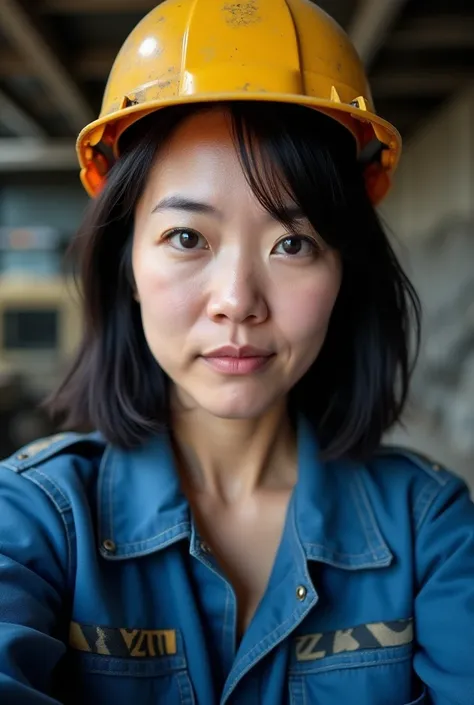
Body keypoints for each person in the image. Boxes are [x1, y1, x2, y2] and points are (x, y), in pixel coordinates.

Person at [0, 0, 473, 703]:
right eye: (187, 237)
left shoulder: (431, 528)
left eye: (293, 242)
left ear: (345, 271)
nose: (237, 299)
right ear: (125, 262)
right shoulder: (35, 518)